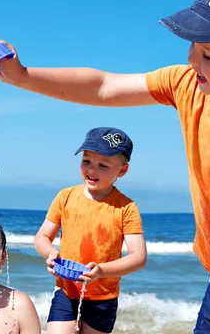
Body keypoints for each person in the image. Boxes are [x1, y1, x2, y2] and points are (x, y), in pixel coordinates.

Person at [0, 0, 210, 333]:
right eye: (194, 44)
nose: (192, 58)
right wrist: (23, 76)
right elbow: (104, 87)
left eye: (208, 54)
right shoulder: (187, 86)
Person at [34, 127, 146, 334]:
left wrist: (101, 271)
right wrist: (49, 253)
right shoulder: (65, 197)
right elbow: (42, 236)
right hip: (66, 290)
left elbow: (138, 257)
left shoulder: (126, 208)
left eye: (103, 165)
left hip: (104, 297)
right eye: (86, 161)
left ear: (122, 171)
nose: (92, 170)